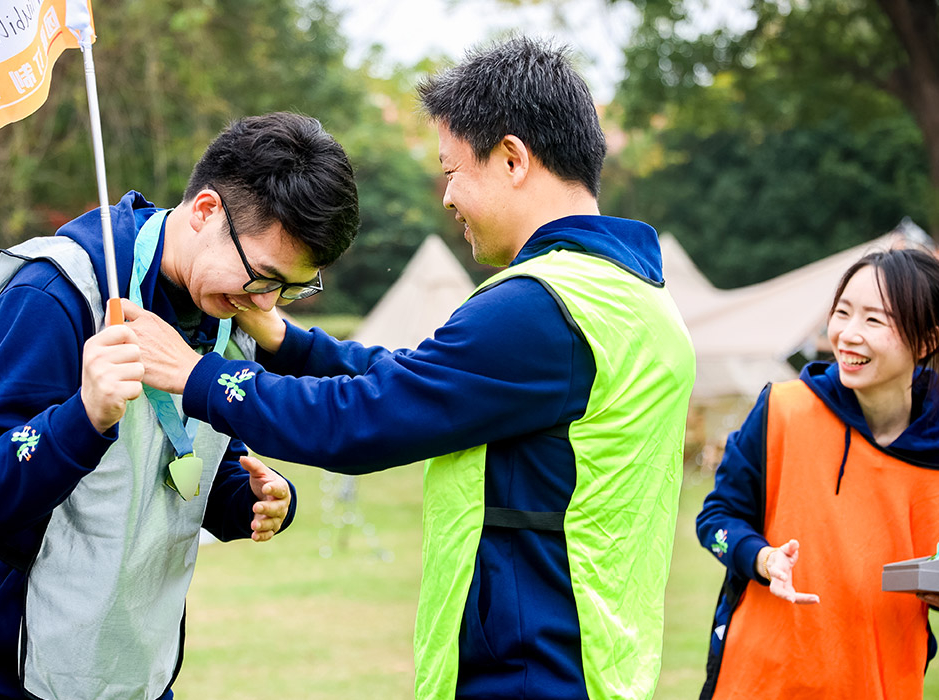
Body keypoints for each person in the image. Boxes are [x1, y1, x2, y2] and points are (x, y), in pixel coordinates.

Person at [124, 37, 696, 700]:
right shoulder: (633, 296)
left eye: (452, 170)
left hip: (527, 675)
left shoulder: (540, 308)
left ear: (512, 159)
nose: (447, 196)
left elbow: (361, 421)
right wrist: (290, 344)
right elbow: (426, 381)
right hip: (598, 665)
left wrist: (195, 375)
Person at [0, 112, 361, 700]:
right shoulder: (55, 291)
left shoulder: (232, 309)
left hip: (126, 673)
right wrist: (83, 418)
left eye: (292, 288)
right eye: (264, 277)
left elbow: (185, 467)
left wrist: (247, 498)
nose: (268, 305)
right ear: (206, 211)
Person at [695, 247, 939, 700]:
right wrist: (761, 558)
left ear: (926, 341)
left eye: (874, 320)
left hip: (883, 684)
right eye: (842, 312)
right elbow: (715, 522)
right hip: (759, 684)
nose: (848, 334)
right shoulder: (783, 410)